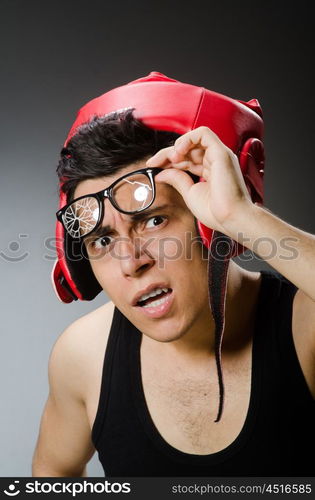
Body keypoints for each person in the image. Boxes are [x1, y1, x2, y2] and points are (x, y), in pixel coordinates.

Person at [32, 72, 315, 477]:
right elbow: (51, 478)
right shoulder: (83, 357)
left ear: (208, 226)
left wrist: (241, 216)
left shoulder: (303, 327)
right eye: (101, 241)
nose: (131, 261)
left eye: (153, 221)